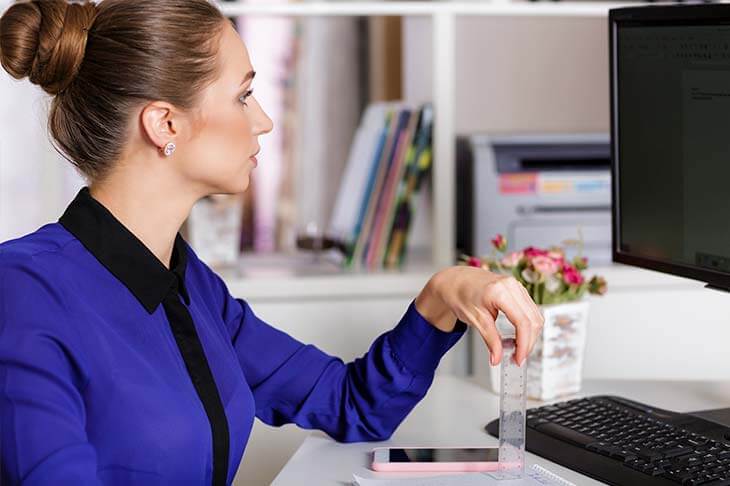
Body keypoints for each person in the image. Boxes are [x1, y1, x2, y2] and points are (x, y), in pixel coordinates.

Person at [0, 0, 544, 484]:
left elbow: (350, 405)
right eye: (243, 95)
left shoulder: (191, 286)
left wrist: (441, 295)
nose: (262, 121)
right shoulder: (23, 293)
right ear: (164, 124)